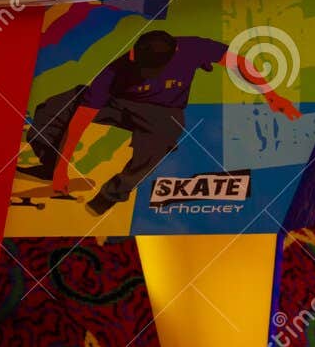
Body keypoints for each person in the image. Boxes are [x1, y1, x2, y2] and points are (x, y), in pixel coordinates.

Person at [20, 29, 300, 215]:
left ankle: (111, 194)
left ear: (175, 52)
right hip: (117, 103)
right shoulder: (115, 71)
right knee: (51, 109)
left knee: (159, 143)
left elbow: (238, 61)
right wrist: (62, 166)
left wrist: (270, 94)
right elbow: (81, 119)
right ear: (133, 53)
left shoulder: (192, 48)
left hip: (162, 112)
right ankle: (50, 164)